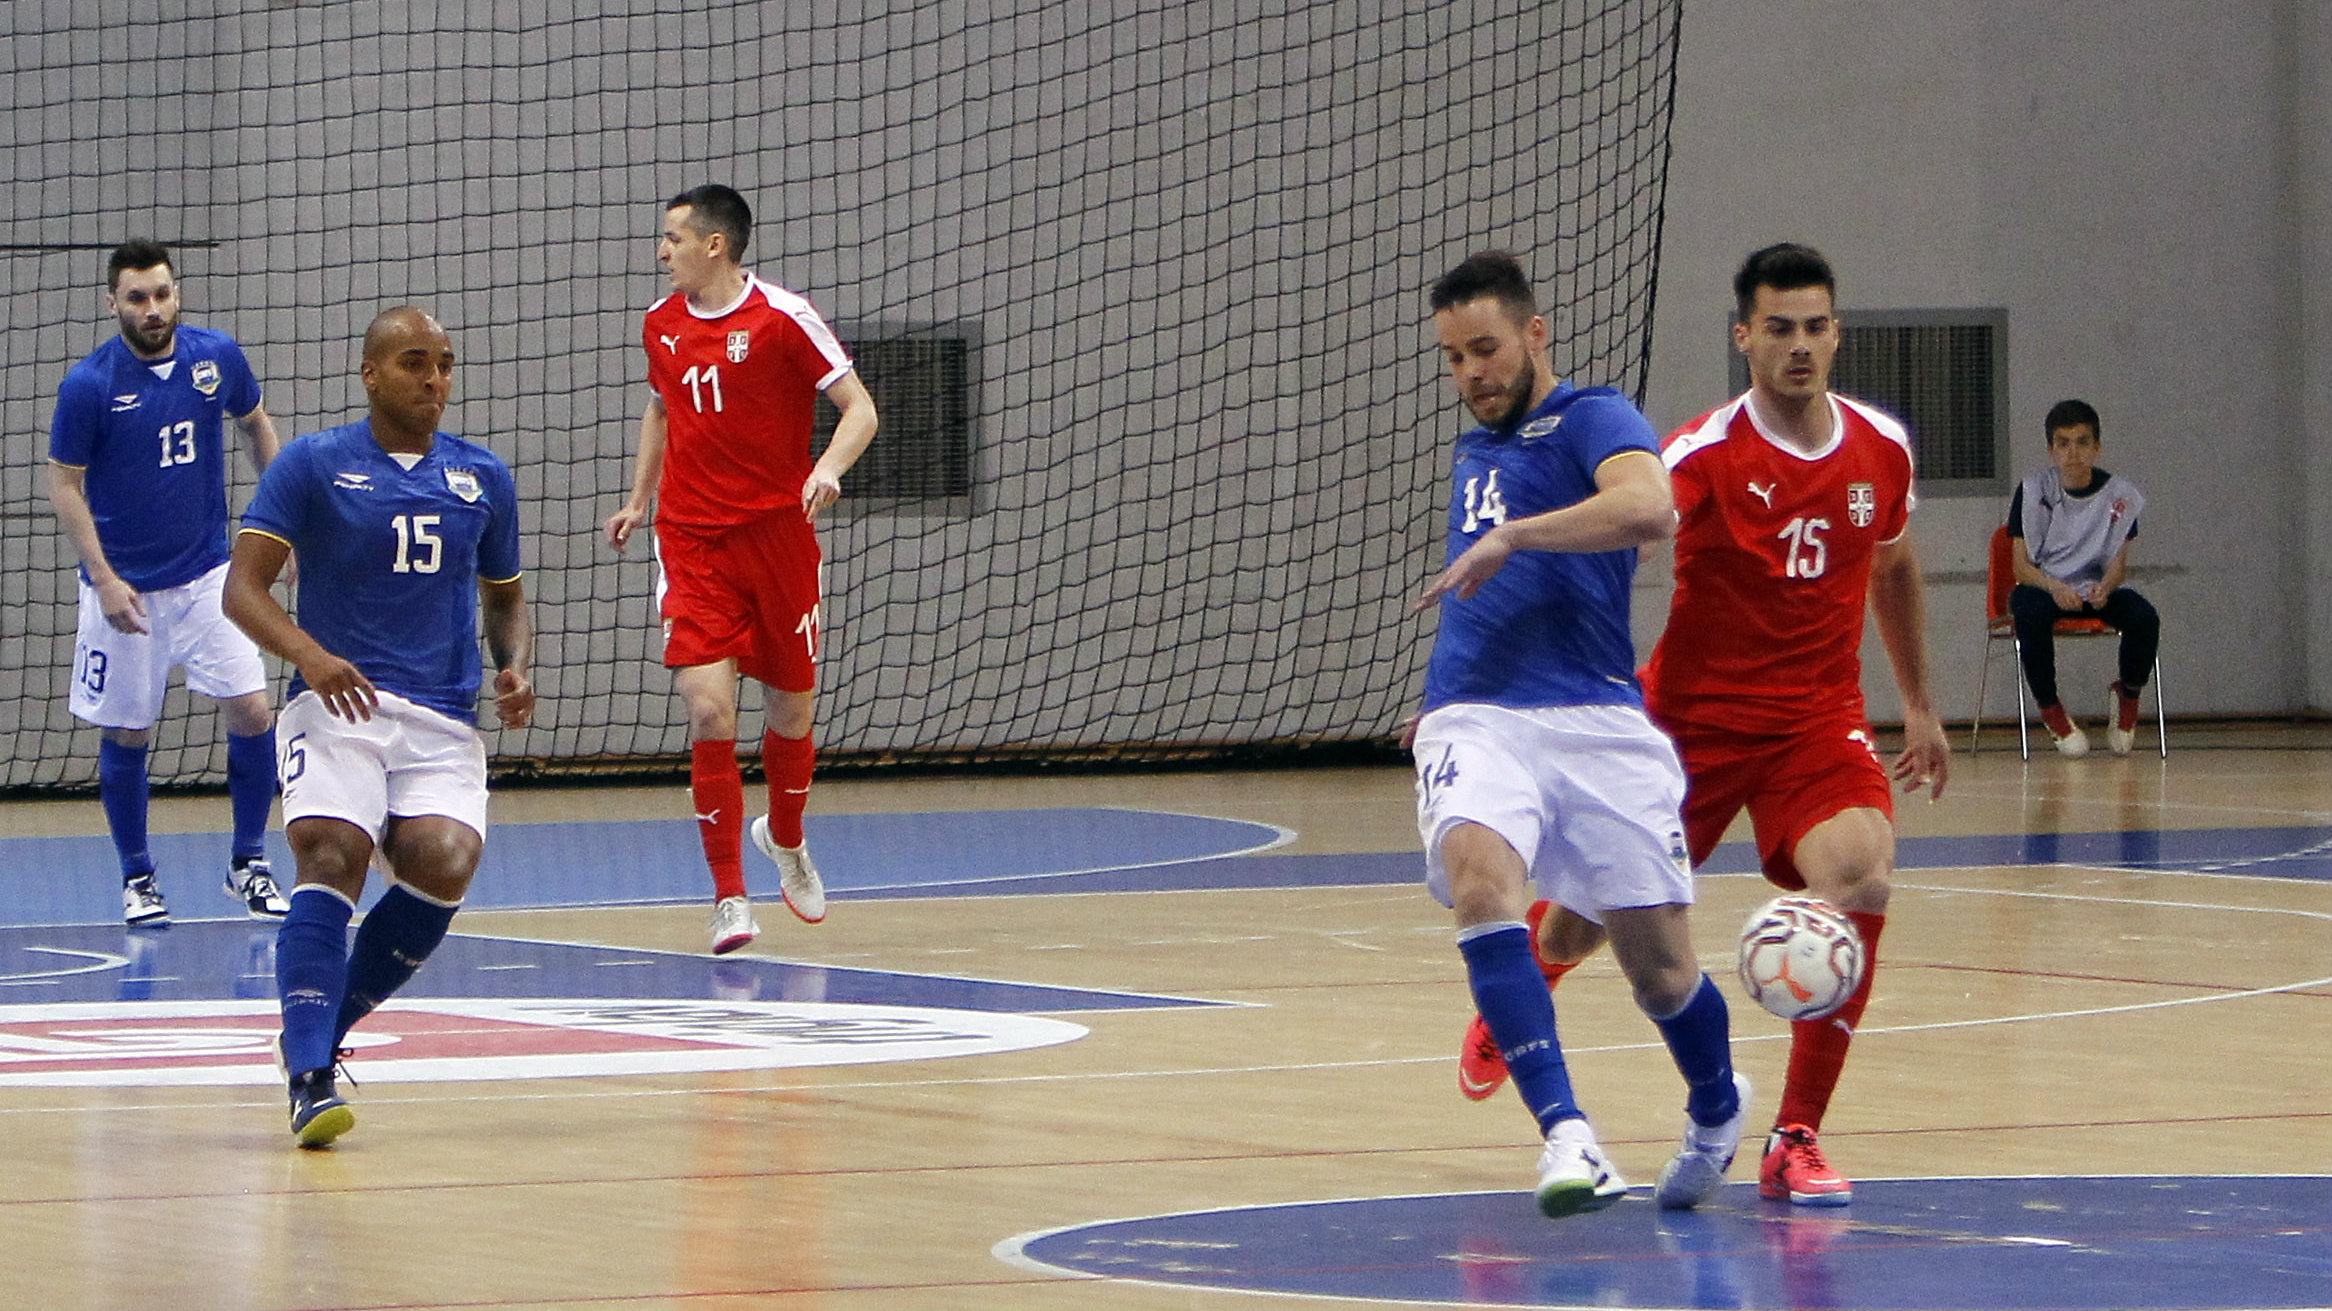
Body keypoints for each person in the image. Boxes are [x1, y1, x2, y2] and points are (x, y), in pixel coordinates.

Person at [1455, 243, 1951, 1209]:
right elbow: (1616, 533)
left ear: (1837, 334)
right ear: (1744, 338)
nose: (1800, 345)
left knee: (1862, 873)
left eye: (1816, 327)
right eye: (1779, 329)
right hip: (1689, 725)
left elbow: (1892, 567)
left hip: (1816, 721)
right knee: (1584, 920)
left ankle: (1794, 1136)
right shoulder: (1702, 454)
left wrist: (1920, 704)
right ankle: (1525, 989)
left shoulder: (1880, 448)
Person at [1412, 251, 1747, 1218]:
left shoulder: (1594, 416)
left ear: (1535, 333)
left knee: (1661, 972)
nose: (1471, 373)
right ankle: (1568, 1134)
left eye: (1485, 349)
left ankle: (1717, 1109)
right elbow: (1487, 588)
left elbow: (1652, 507)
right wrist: (1447, 698)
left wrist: (1517, 534)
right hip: (1478, 714)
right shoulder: (1474, 450)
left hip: (1597, 720)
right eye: (1454, 358)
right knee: (1483, 884)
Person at [222, 307, 533, 1148]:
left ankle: (316, 1030)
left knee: (446, 860)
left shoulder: (482, 476)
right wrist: (310, 656)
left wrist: (512, 665)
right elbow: (241, 590)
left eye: (445, 364)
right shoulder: (313, 464)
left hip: (441, 714)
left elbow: (505, 598)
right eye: (414, 362)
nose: (434, 379)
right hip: (337, 705)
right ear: (370, 374)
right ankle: (310, 1078)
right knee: (331, 851)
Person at [603, 184, 879, 955]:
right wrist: (639, 500)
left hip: (778, 542)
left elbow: (860, 408)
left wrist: (827, 467)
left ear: (715, 244)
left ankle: (784, 835)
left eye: (673, 238)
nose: (662, 251)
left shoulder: (783, 318)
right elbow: (662, 407)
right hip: (693, 541)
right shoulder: (661, 324)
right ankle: (728, 896)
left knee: (790, 712)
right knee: (709, 711)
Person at [46, 240, 288, 926]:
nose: (152, 309)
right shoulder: (90, 385)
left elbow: (255, 425)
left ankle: (248, 863)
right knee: (130, 731)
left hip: (210, 576)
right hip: (128, 589)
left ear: (176, 294)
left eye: (161, 294)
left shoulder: (215, 357)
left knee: (253, 711)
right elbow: (64, 486)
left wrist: (280, 522)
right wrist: (103, 579)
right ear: (113, 304)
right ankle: (138, 876)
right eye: (137, 298)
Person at [2007, 398, 2156, 757]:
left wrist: (2106, 587)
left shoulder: (2120, 496)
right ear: (2051, 449)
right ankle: (2051, 710)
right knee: (2028, 611)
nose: (2073, 453)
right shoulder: (2032, 491)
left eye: (2082, 442)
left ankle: (2128, 694)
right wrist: (2054, 587)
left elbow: (2117, 564)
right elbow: (2020, 567)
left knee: (2143, 617)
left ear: (2096, 447)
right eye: (2063, 443)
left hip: (2094, 585)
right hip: (2046, 585)